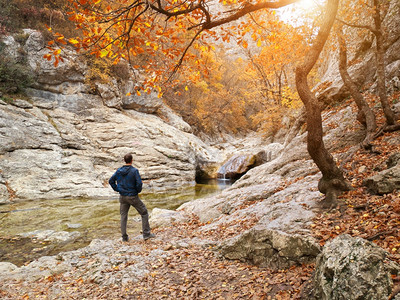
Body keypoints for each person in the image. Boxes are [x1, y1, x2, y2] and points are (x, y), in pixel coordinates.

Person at [109, 153, 155, 242]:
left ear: (124, 160)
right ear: (132, 160)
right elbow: (139, 183)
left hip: (122, 197)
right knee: (144, 213)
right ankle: (146, 234)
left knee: (123, 216)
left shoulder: (119, 171)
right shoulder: (134, 171)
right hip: (132, 196)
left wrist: (118, 189)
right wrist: (137, 191)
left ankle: (124, 238)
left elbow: (111, 181)